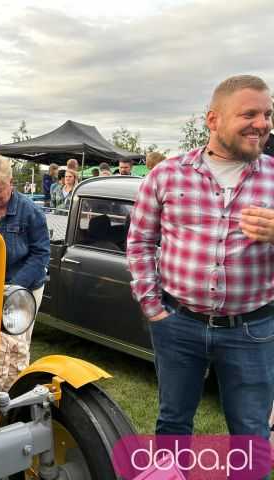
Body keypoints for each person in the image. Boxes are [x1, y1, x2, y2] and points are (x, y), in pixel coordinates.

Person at [127, 75, 274, 449]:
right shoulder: (166, 175)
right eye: (250, 114)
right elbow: (141, 242)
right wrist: (152, 308)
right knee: (173, 422)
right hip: (179, 325)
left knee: (251, 431)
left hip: (253, 329)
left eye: (268, 114)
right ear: (213, 120)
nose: (263, 123)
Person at [0, 155, 50, 392]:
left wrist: (13, 287)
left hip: (23, 289)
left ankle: (13, 396)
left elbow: (41, 256)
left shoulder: (30, 212)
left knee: (15, 346)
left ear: (10, 183)